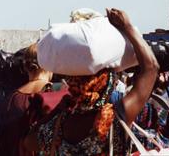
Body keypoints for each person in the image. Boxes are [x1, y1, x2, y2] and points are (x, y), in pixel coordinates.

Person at [24, 8, 160, 155]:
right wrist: (128, 27)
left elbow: (28, 141)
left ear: (72, 82)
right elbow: (151, 68)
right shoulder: (114, 119)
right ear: (106, 84)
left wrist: (58, 109)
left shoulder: (60, 125)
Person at [0, 43, 53, 156]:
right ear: (50, 64)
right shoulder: (58, 93)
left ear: (25, 67)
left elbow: (4, 143)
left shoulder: (12, 99)